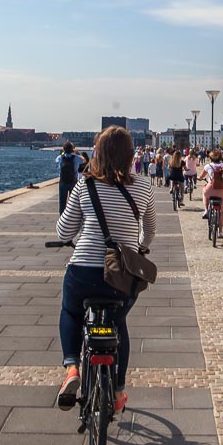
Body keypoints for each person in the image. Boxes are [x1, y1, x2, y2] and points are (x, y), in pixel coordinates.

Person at [55, 126, 156, 414]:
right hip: (121, 276)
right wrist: (139, 247)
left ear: (97, 152)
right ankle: (119, 391)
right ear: (130, 155)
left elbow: (64, 232)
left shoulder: (84, 185)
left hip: (83, 271)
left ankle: (72, 368)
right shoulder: (144, 187)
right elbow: (149, 231)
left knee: (71, 311)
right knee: (118, 324)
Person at [199, 149, 223, 235]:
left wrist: (200, 178)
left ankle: (206, 210)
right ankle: (220, 232)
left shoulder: (208, 166)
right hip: (222, 191)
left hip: (210, 189)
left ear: (211, 157)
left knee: (204, 192)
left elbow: (201, 176)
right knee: (221, 210)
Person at [56, 141, 82, 214]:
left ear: (64, 149)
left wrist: (62, 154)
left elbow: (56, 161)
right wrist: (77, 153)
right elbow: (84, 160)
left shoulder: (60, 157)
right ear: (72, 149)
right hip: (73, 181)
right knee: (73, 201)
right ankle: (72, 215)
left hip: (63, 181)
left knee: (62, 201)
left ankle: (61, 216)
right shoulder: (76, 158)